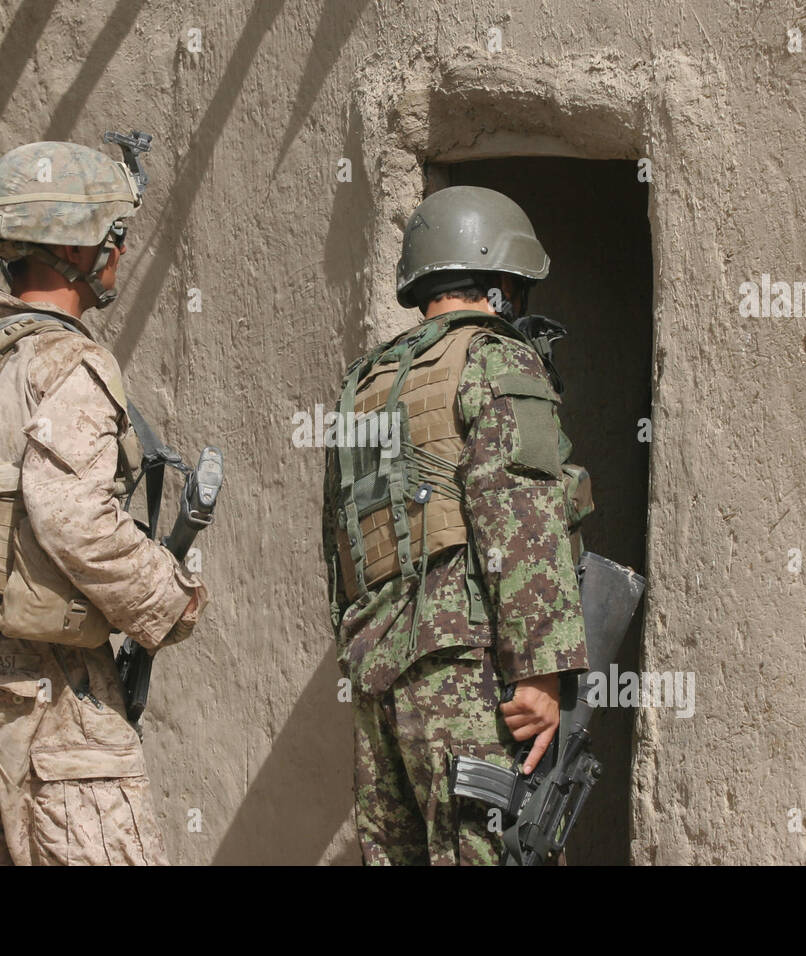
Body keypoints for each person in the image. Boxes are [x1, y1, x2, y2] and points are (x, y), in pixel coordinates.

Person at [0, 139, 207, 865]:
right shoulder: (66, 364)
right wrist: (167, 600)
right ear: (81, 250)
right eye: (114, 237)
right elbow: (73, 520)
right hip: (36, 688)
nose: (120, 253)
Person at [322, 185, 593, 865]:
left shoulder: (367, 382)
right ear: (502, 281)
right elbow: (519, 514)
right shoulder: (498, 359)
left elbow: (346, 542)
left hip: (378, 679)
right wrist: (542, 670)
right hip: (466, 679)